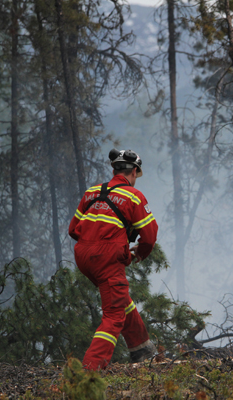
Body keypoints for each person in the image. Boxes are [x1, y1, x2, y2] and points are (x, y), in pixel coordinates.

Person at [68, 148, 158, 370]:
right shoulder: (134, 196)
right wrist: (139, 253)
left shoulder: (91, 192)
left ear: (115, 169)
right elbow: (148, 236)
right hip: (106, 258)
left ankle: (142, 350)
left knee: (119, 298)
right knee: (114, 314)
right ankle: (90, 372)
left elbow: (73, 230)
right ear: (134, 171)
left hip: (83, 256)